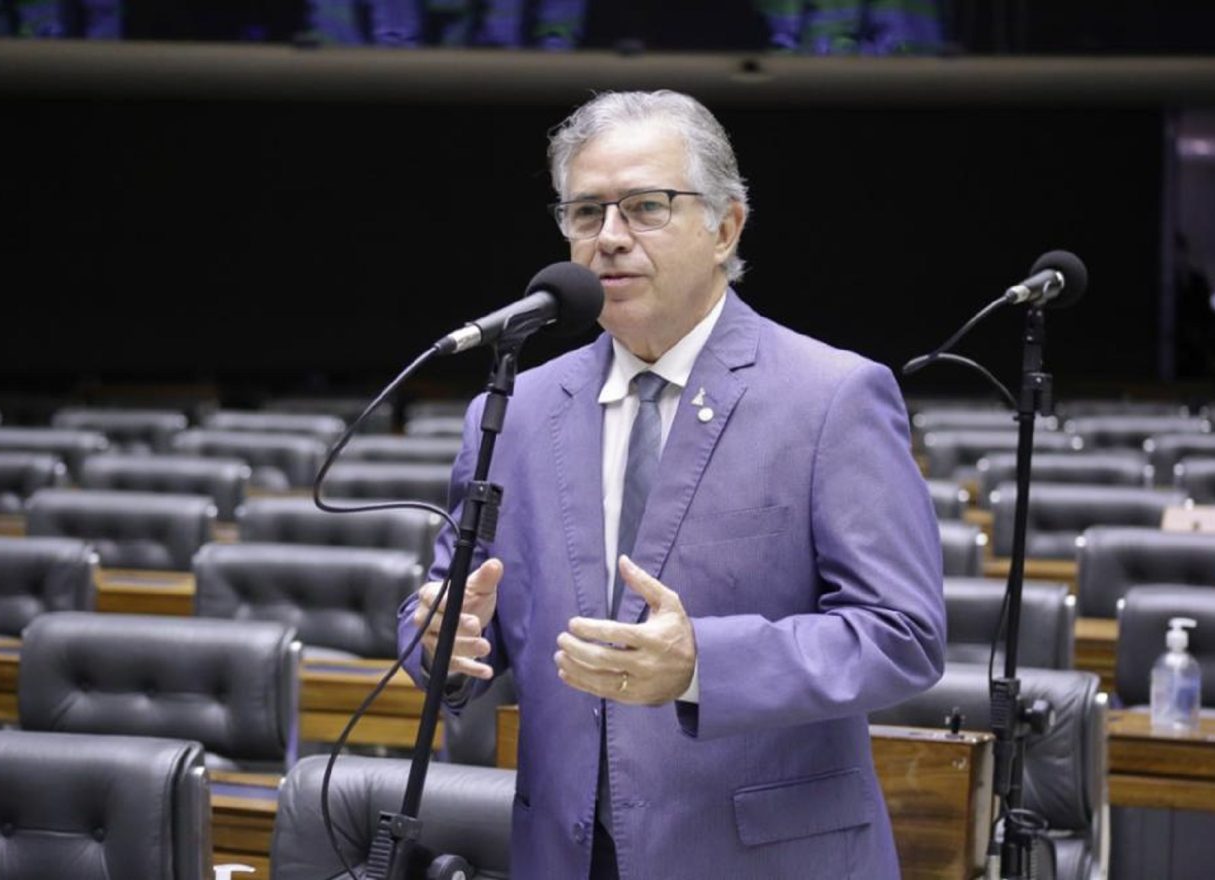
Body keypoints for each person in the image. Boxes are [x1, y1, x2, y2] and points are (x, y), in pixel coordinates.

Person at [399, 89, 945, 880]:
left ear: (725, 228)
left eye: (646, 207)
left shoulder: (832, 396)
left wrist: (700, 666)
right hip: (564, 852)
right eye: (586, 213)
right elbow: (447, 607)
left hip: (761, 859)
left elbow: (903, 635)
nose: (610, 237)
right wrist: (444, 640)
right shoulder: (515, 410)